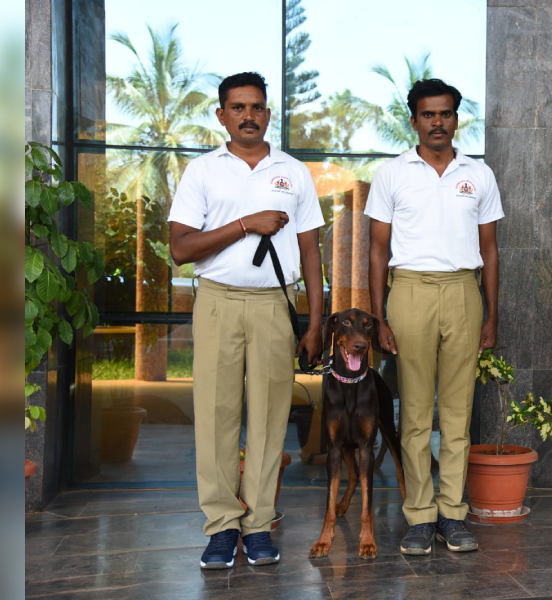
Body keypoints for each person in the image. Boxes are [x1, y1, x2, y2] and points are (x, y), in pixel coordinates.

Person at [168, 72, 324, 569]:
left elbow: (311, 251)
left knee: (271, 416)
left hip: (275, 304)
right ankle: (221, 526)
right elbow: (180, 249)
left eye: (257, 107)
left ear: (268, 114)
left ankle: (258, 525)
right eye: (238, 107)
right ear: (222, 115)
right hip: (217, 301)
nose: (248, 116)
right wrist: (245, 224)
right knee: (215, 415)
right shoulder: (202, 171)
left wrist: (315, 322)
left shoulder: (294, 172)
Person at [366, 78, 503, 556]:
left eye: (445, 114)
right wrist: (379, 316)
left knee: (458, 413)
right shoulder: (391, 174)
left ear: (456, 120)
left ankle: (452, 515)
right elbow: (377, 249)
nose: (437, 122)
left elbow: (490, 249)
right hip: (409, 290)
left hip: (463, 290)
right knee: (416, 412)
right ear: (414, 121)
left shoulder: (478, 175)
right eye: (428, 114)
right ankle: (420, 516)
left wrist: (491, 315)